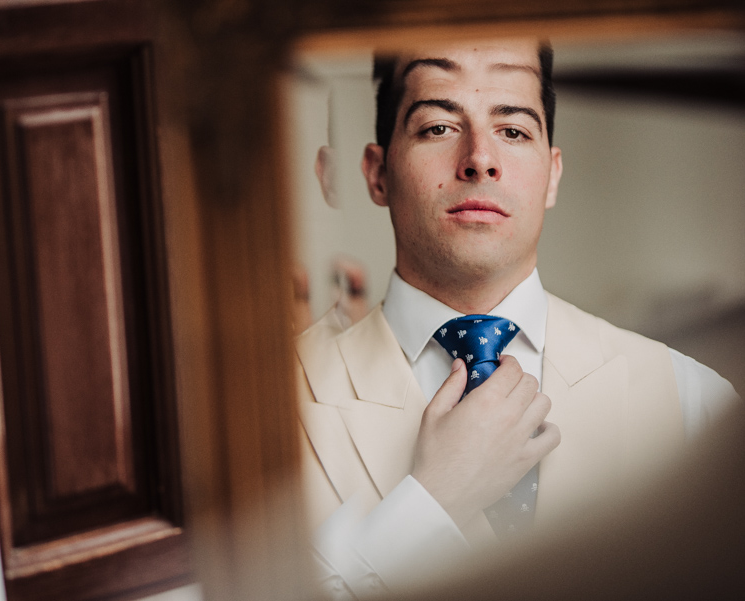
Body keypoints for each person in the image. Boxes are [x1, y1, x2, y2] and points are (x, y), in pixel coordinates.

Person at [294, 37, 740, 599]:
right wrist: (432, 501)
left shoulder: (694, 400)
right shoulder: (258, 409)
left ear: (552, 174)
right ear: (378, 172)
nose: (480, 158)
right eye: (438, 127)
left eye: (513, 130)